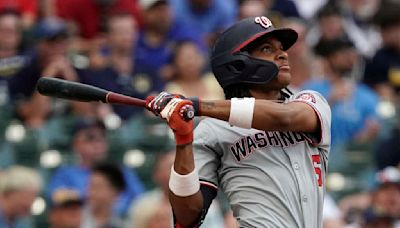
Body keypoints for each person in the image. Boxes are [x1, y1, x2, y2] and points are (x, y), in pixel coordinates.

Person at [145, 16, 331, 227]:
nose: (283, 54)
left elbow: (285, 117)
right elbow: (187, 217)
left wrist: (195, 105)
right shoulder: (213, 129)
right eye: (267, 49)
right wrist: (184, 139)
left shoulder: (308, 101)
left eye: (281, 48)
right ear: (237, 64)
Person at [47, 117, 144, 216]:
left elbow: (141, 202)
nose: (98, 143)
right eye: (90, 138)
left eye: (102, 137)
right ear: (75, 144)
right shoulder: (65, 174)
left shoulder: (121, 172)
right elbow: (58, 200)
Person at [81, 162, 126, 228]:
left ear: (116, 193)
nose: (90, 193)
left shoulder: (121, 224)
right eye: (90, 186)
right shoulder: (74, 221)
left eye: (97, 187)